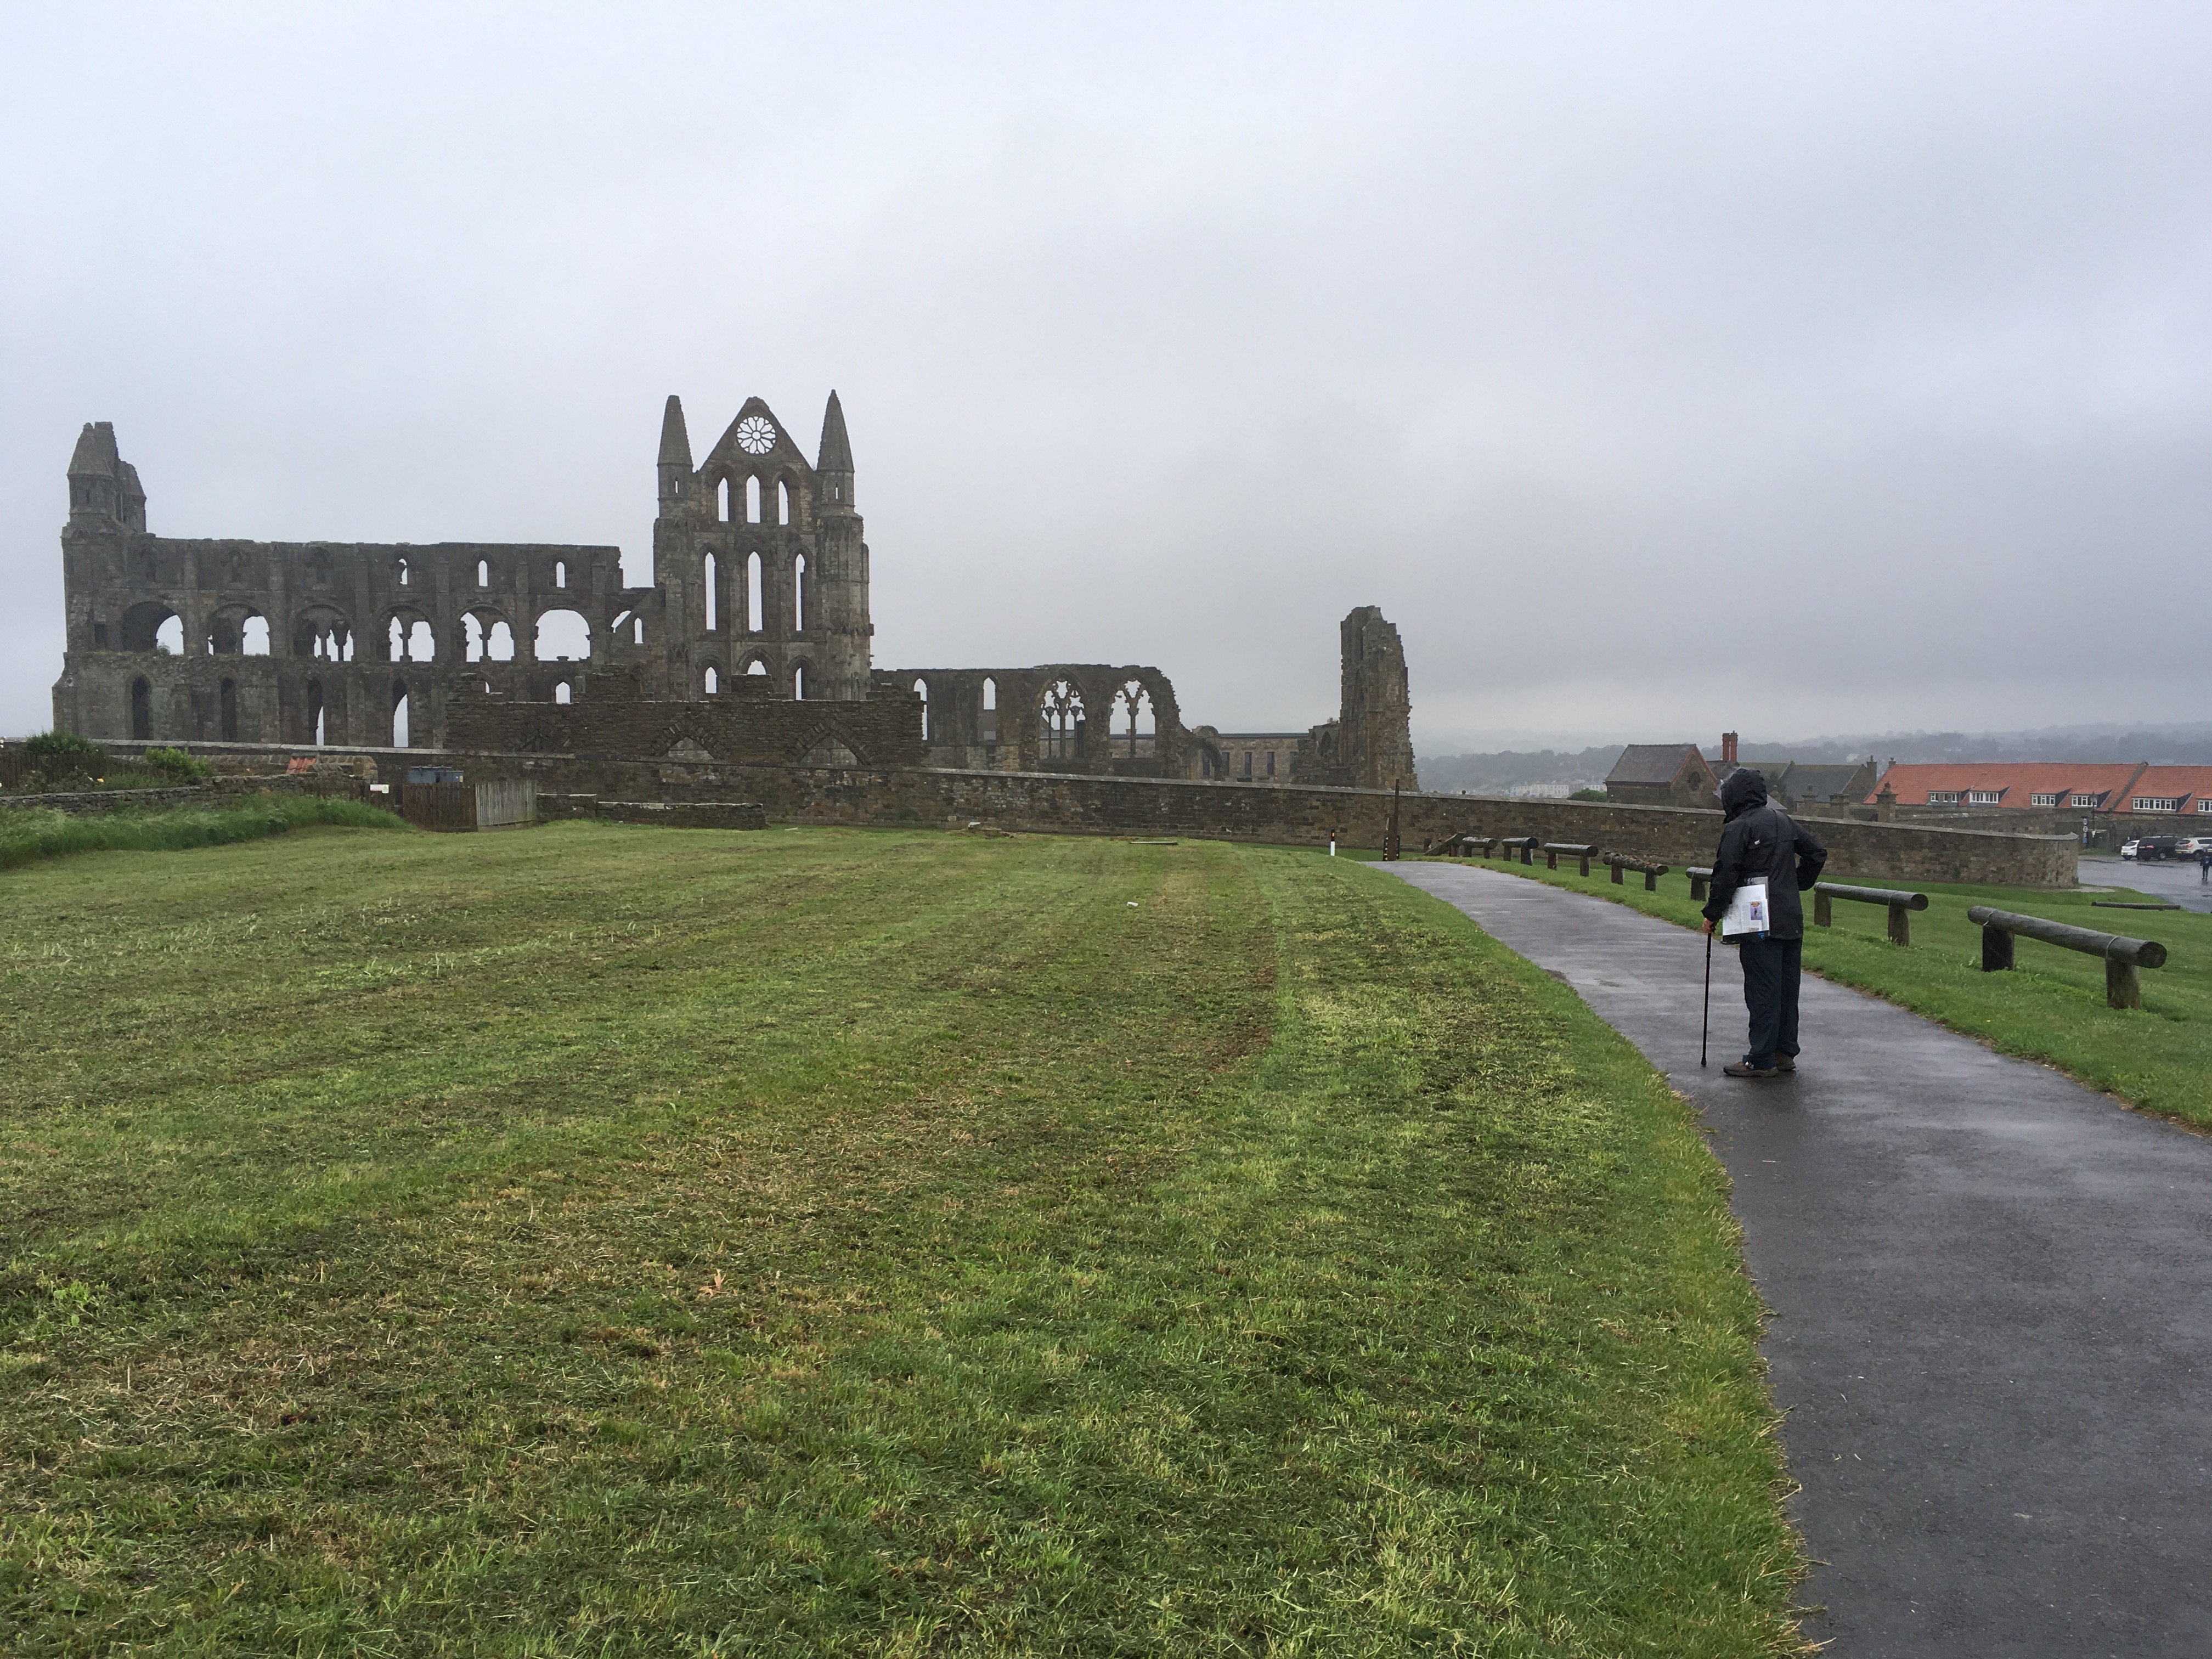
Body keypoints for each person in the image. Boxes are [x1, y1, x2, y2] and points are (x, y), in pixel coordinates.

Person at [1701, 768, 1827, 1079]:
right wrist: (1795, 883)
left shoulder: (1739, 827)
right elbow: (1817, 853)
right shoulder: (1783, 821)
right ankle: (1784, 1052)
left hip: (1757, 919)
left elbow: (1726, 872)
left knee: (1762, 989)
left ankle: (1760, 1059)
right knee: (1787, 988)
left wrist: (1713, 912)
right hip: (1790, 917)